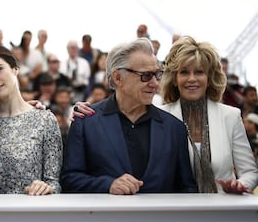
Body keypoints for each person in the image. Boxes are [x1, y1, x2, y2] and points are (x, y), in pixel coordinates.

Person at [60, 38, 197, 194]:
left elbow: (187, 188)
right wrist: (108, 185)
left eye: (157, 75)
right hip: (106, 217)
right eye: (145, 76)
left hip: (160, 218)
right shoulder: (86, 122)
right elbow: (69, 179)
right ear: (118, 78)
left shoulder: (174, 128)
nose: (155, 84)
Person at [160, 36, 258, 193]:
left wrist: (239, 185)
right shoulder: (160, 117)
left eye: (199, 72)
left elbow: (249, 172)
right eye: (184, 72)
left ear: (209, 78)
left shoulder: (230, 116)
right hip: (176, 212)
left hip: (223, 212)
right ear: (174, 79)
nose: (192, 79)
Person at [0, 46, 62, 195]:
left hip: (32, 212)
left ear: (15, 69)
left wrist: (45, 188)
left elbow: (53, 182)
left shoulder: (45, 120)